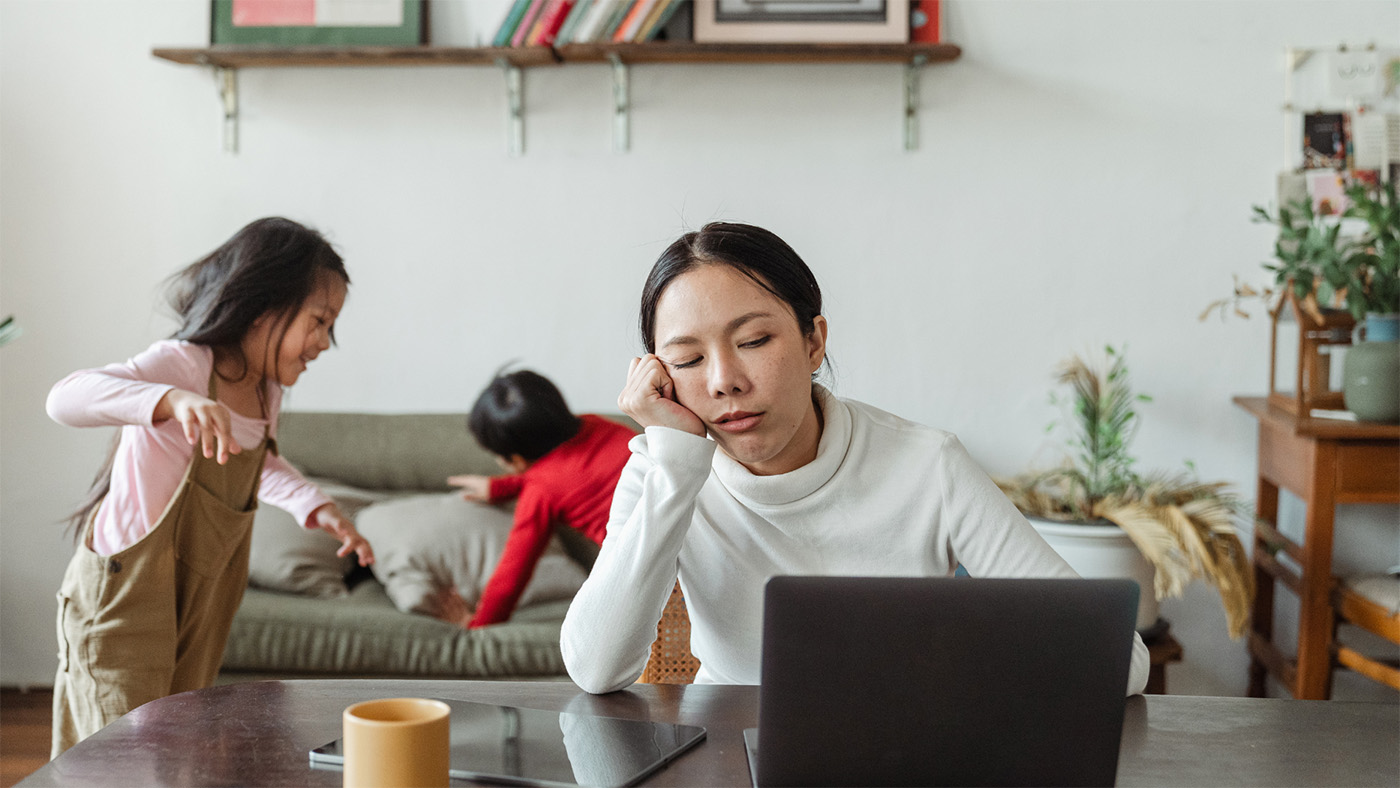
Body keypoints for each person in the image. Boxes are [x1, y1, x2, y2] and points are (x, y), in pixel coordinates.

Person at [560, 221, 1149, 695]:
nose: (724, 382)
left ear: (814, 340)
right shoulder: (665, 469)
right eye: (687, 360)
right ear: (658, 375)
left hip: (902, 754)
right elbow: (595, 669)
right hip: (730, 755)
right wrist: (676, 464)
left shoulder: (927, 465)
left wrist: (954, 673)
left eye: (754, 341)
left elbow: (1119, 662)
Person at [46, 217, 375, 757]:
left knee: (173, 748)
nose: (324, 342)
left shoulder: (264, 390)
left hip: (199, 602)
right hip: (123, 599)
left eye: (331, 327)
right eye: (318, 321)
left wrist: (317, 507)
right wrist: (171, 400)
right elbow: (64, 398)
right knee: (118, 756)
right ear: (263, 308)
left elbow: (258, 464)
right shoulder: (182, 365)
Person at [441, 369, 636, 628]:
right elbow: (574, 471)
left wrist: (478, 624)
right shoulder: (596, 424)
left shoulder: (540, 492)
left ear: (517, 459)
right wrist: (501, 487)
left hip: (644, 570)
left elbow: (512, 574)